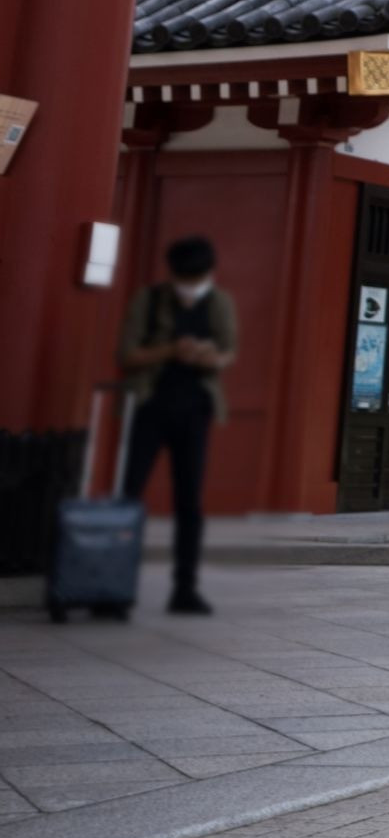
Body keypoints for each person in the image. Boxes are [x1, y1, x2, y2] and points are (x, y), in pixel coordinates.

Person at [119, 234, 237, 615]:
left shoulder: (218, 302)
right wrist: (171, 350)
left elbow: (227, 351)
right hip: (151, 405)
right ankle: (115, 583)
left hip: (195, 409)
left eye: (198, 276)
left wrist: (209, 358)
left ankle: (185, 588)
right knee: (130, 493)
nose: (192, 284)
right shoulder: (150, 300)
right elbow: (128, 354)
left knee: (189, 500)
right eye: (186, 277)